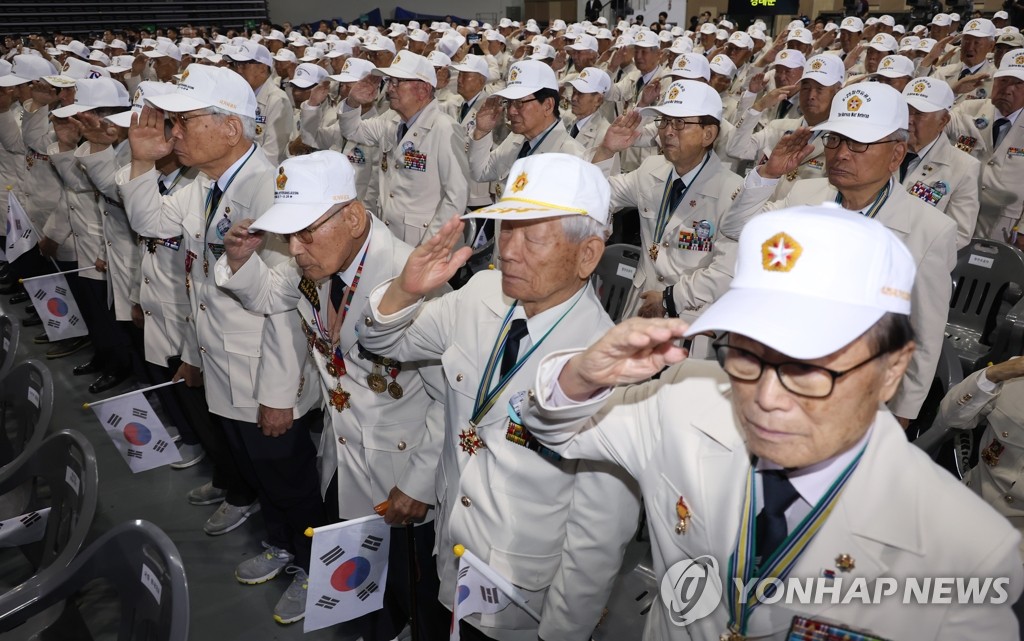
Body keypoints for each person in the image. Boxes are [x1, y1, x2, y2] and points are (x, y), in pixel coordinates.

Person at [522, 205, 1023, 641]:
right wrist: (581, 376)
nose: (765, 397)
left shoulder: (964, 552)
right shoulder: (685, 401)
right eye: (745, 354)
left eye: (809, 368)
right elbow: (553, 428)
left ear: (892, 368)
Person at [359, 153, 640, 641]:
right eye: (506, 230)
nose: (508, 250)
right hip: (450, 549)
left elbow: (597, 536)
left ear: (588, 254)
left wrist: (561, 632)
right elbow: (384, 343)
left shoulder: (607, 367)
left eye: (533, 236)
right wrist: (405, 291)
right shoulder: (480, 294)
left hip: (518, 593)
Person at [119, 63, 324, 622]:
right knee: (258, 470)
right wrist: (141, 158)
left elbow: (285, 302)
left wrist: (279, 393)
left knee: (290, 477)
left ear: (230, 128)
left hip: (264, 373)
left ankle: (315, 564)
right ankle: (285, 544)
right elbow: (153, 225)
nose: (174, 133)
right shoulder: (207, 184)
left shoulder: (272, 187)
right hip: (222, 362)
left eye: (184, 122)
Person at [215, 151, 448, 636]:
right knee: (371, 573)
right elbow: (266, 295)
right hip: (345, 449)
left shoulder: (414, 280)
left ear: (354, 216)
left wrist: (420, 484)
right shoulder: (320, 262)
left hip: (404, 467)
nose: (295, 249)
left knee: (416, 581)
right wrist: (240, 261)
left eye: (306, 232)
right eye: (288, 236)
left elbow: (450, 401)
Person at [729, 82, 956, 425]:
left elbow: (923, 338)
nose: (841, 153)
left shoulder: (929, 230)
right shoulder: (804, 194)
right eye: (834, 139)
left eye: (859, 143)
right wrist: (768, 176)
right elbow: (737, 231)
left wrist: (901, 416)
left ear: (896, 154)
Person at [592, 80, 744, 327]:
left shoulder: (733, 191)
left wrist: (669, 299)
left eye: (680, 123)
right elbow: (597, 193)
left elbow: (727, 271)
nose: (668, 131)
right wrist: (607, 150)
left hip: (690, 320)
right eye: (664, 121)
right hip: (638, 310)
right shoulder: (652, 170)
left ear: (709, 134)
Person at [334, 51, 470, 246]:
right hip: (390, 239)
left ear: (423, 89)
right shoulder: (391, 120)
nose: (389, 89)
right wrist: (353, 101)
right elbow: (352, 131)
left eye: (397, 82)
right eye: (389, 82)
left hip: (425, 243)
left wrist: (429, 249)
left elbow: (456, 196)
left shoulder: (444, 128)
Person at [726, 54, 846, 201]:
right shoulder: (779, 127)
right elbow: (735, 149)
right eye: (806, 88)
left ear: (838, 92)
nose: (811, 95)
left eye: (819, 89)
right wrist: (758, 107)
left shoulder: (842, 142)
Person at [946, 47, 1024, 243]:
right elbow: (928, 121)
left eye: (1018, 84)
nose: (1008, 89)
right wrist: (953, 91)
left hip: (1005, 224)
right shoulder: (968, 109)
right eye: (1003, 80)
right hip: (957, 211)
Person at [899, 77, 980, 248]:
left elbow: (959, 235)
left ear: (943, 121)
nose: (908, 120)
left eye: (919, 113)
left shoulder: (963, 167)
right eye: (906, 110)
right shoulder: (880, 149)